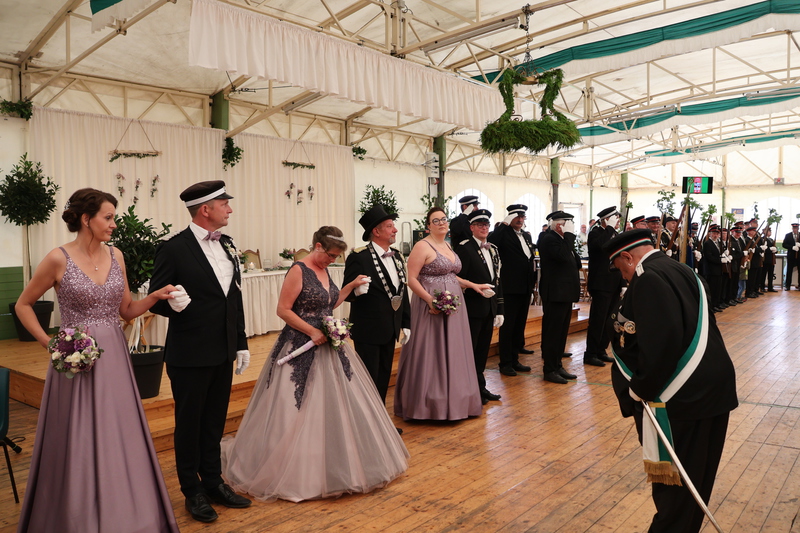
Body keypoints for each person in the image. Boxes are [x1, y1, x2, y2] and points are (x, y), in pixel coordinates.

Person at [15, 188, 179, 533]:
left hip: (115, 357)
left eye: (114, 217)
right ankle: (75, 515)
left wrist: (155, 296)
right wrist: (50, 343)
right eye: (109, 217)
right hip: (74, 359)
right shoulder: (58, 258)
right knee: (77, 434)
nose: (114, 224)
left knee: (118, 431)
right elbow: (23, 304)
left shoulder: (117, 255)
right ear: (86, 219)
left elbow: (127, 311)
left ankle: (125, 511)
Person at [221, 226, 409, 501]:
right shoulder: (298, 270)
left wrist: (350, 287)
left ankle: (337, 466)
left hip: (327, 343)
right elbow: (283, 309)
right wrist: (311, 331)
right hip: (300, 344)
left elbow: (329, 303)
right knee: (295, 405)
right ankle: (294, 471)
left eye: (335, 257)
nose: (332, 260)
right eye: (330, 255)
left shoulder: (324, 269)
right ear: (318, 246)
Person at [604, 229, 738, 533]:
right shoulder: (683, 270)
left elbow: (661, 345)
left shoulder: (648, 278)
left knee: (676, 492)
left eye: (621, 269)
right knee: (696, 483)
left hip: (683, 397)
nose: (623, 277)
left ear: (628, 257)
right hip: (713, 390)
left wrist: (639, 390)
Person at [149, 180, 252, 523]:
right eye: (225, 204)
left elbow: (233, 297)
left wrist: (240, 342)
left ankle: (213, 481)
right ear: (205, 209)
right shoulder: (173, 249)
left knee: (214, 421)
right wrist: (171, 303)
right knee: (189, 424)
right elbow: (156, 298)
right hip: (190, 354)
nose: (230, 209)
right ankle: (191, 490)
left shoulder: (228, 245)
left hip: (222, 351)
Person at [394, 207, 489, 421]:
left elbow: (451, 276)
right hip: (430, 306)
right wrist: (430, 300)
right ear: (428, 226)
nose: (441, 223)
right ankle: (428, 404)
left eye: (444, 219)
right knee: (431, 350)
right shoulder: (422, 246)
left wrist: (472, 285)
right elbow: (411, 279)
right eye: (435, 221)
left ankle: (455, 401)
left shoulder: (447, 245)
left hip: (454, 305)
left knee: (454, 350)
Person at [344, 204, 411, 407]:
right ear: (376, 231)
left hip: (391, 328)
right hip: (368, 329)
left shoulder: (398, 256)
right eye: (390, 226)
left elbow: (402, 291)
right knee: (368, 379)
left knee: (383, 378)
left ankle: (380, 419)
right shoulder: (359, 257)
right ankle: (367, 421)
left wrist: (406, 322)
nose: (395, 230)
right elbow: (346, 291)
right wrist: (356, 291)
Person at [455, 209, 504, 404]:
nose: (484, 228)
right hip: (472, 309)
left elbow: (498, 280)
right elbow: (458, 280)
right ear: (472, 228)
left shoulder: (493, 249)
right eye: (480, 225)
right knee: (470, 351)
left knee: (483, 351)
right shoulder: (464, 248)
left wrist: (500, 309)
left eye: (486, 225)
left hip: (489, 308)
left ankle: (480, 387)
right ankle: (470, 390)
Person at [488, 204, 537, 376]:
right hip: (509, 287)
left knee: (519, 326)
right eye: (517, 217)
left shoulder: (526, 236)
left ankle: (515, 359)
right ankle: (505, 362)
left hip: (525, 287)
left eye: (523, 217)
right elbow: (491, 243)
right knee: (508, 327)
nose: (520, 220)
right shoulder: (503, 234)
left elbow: (529, 259)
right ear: (510, 217)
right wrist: (504, 224)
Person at [537, 211, 581, 384]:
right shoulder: (549, 239)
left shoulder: (562, 241)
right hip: (555, 293)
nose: (570, 229)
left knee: (561, 333)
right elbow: (562, 256)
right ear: (558, 225)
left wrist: (568, 239)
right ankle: (549, 369)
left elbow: (576, 262)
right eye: (567, 225)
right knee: (553, 333)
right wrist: (569, 237)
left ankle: (557, 365)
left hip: (565, 293)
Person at [584, 206, 621, 367]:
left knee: (609, 320)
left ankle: (601, 350)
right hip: (601, 284)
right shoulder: (596, 233)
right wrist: (609, 228)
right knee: (598, 320)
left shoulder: (614, 234)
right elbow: (600, 247)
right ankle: (591, 353)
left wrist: (623, 283)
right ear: (606, 220)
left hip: (614, 282)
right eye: (615, 219)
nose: (618, 222)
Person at [783, 223, 800, 289]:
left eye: (796, 228)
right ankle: (787, 285)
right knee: (789, 271)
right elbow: (784, 245)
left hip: (799, 256)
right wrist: (792, 247)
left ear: (798, 228)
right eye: (794, 228)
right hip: (791, 256)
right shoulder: (788, 235)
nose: (795, 229)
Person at [761, 227, 778, 292]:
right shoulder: (762, 239)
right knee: (763, 274)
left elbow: (774, 247)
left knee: (771, 274)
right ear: (764, 232)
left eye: (770, 231)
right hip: (765, 259)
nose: (770, 232)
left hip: (771, 259)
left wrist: (775, 250)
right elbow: (763, 249)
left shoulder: (771, 239)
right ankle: (762, 287)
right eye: (768, 231)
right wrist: (769, 249)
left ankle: (770, 287)